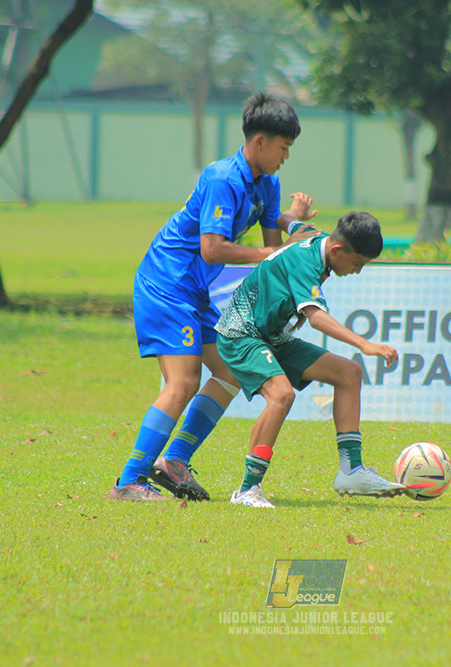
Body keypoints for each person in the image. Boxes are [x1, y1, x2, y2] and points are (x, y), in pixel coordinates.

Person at [109, 93, 319, 503]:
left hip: (194, 289)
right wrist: (270, 253)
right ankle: (129, 482)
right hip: (167, 282)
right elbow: (212, 248)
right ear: (260, 142)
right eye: (283, 148)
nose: (285, 158)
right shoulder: (222, 177)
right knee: (184, 381)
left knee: (230, 373)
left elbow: (270, 256)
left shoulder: (268, 183)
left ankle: (173, 462)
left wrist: (289, 291)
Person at [215, 210, 406, 508]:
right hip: (242, 334)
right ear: (337, 249)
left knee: (349, 373)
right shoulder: (307, 263)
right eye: (357, 264)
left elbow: (290, 223)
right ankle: (247, 490)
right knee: (281, 395)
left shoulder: (316, 236)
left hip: (272, 335)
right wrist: (364, 344)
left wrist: (292, 214)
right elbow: (316, 318)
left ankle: (351, 470)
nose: (357, 271)